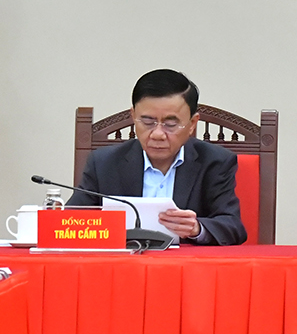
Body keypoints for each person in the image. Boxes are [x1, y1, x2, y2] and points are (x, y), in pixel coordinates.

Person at [68, 68, 247, 245]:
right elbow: (69, 222)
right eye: (147, 122)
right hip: (123, 267)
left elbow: (233, 226)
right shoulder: (104, 163)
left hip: (186, 269)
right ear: (133, 116)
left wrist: (197, 228)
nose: (158, 134)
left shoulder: (215, 162)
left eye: (170, 124)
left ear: (192, 123)